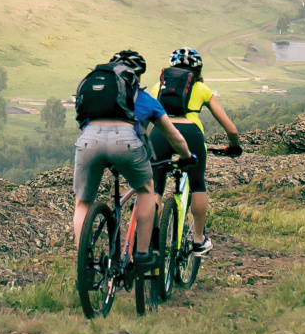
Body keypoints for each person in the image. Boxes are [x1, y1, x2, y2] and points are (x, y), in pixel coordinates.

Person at [72, 48, 190, 267]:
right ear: (137, 76)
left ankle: (84, 262)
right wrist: (188, 157)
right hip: (125, 143)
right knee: (146, 190)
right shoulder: (145, 99)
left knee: (83, 202)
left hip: (89, 140)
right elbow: (175, 139)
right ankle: (143, 253)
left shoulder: (99, 98)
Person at [153, 47, 244, 258]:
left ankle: (150, 238)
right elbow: (231, 129)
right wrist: (234, 145)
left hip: (160, 134)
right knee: (197, 184)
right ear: (197, 69)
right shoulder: (202, 88)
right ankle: (198, 240)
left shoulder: (159, 86)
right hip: (191, 135)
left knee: (155, 186)